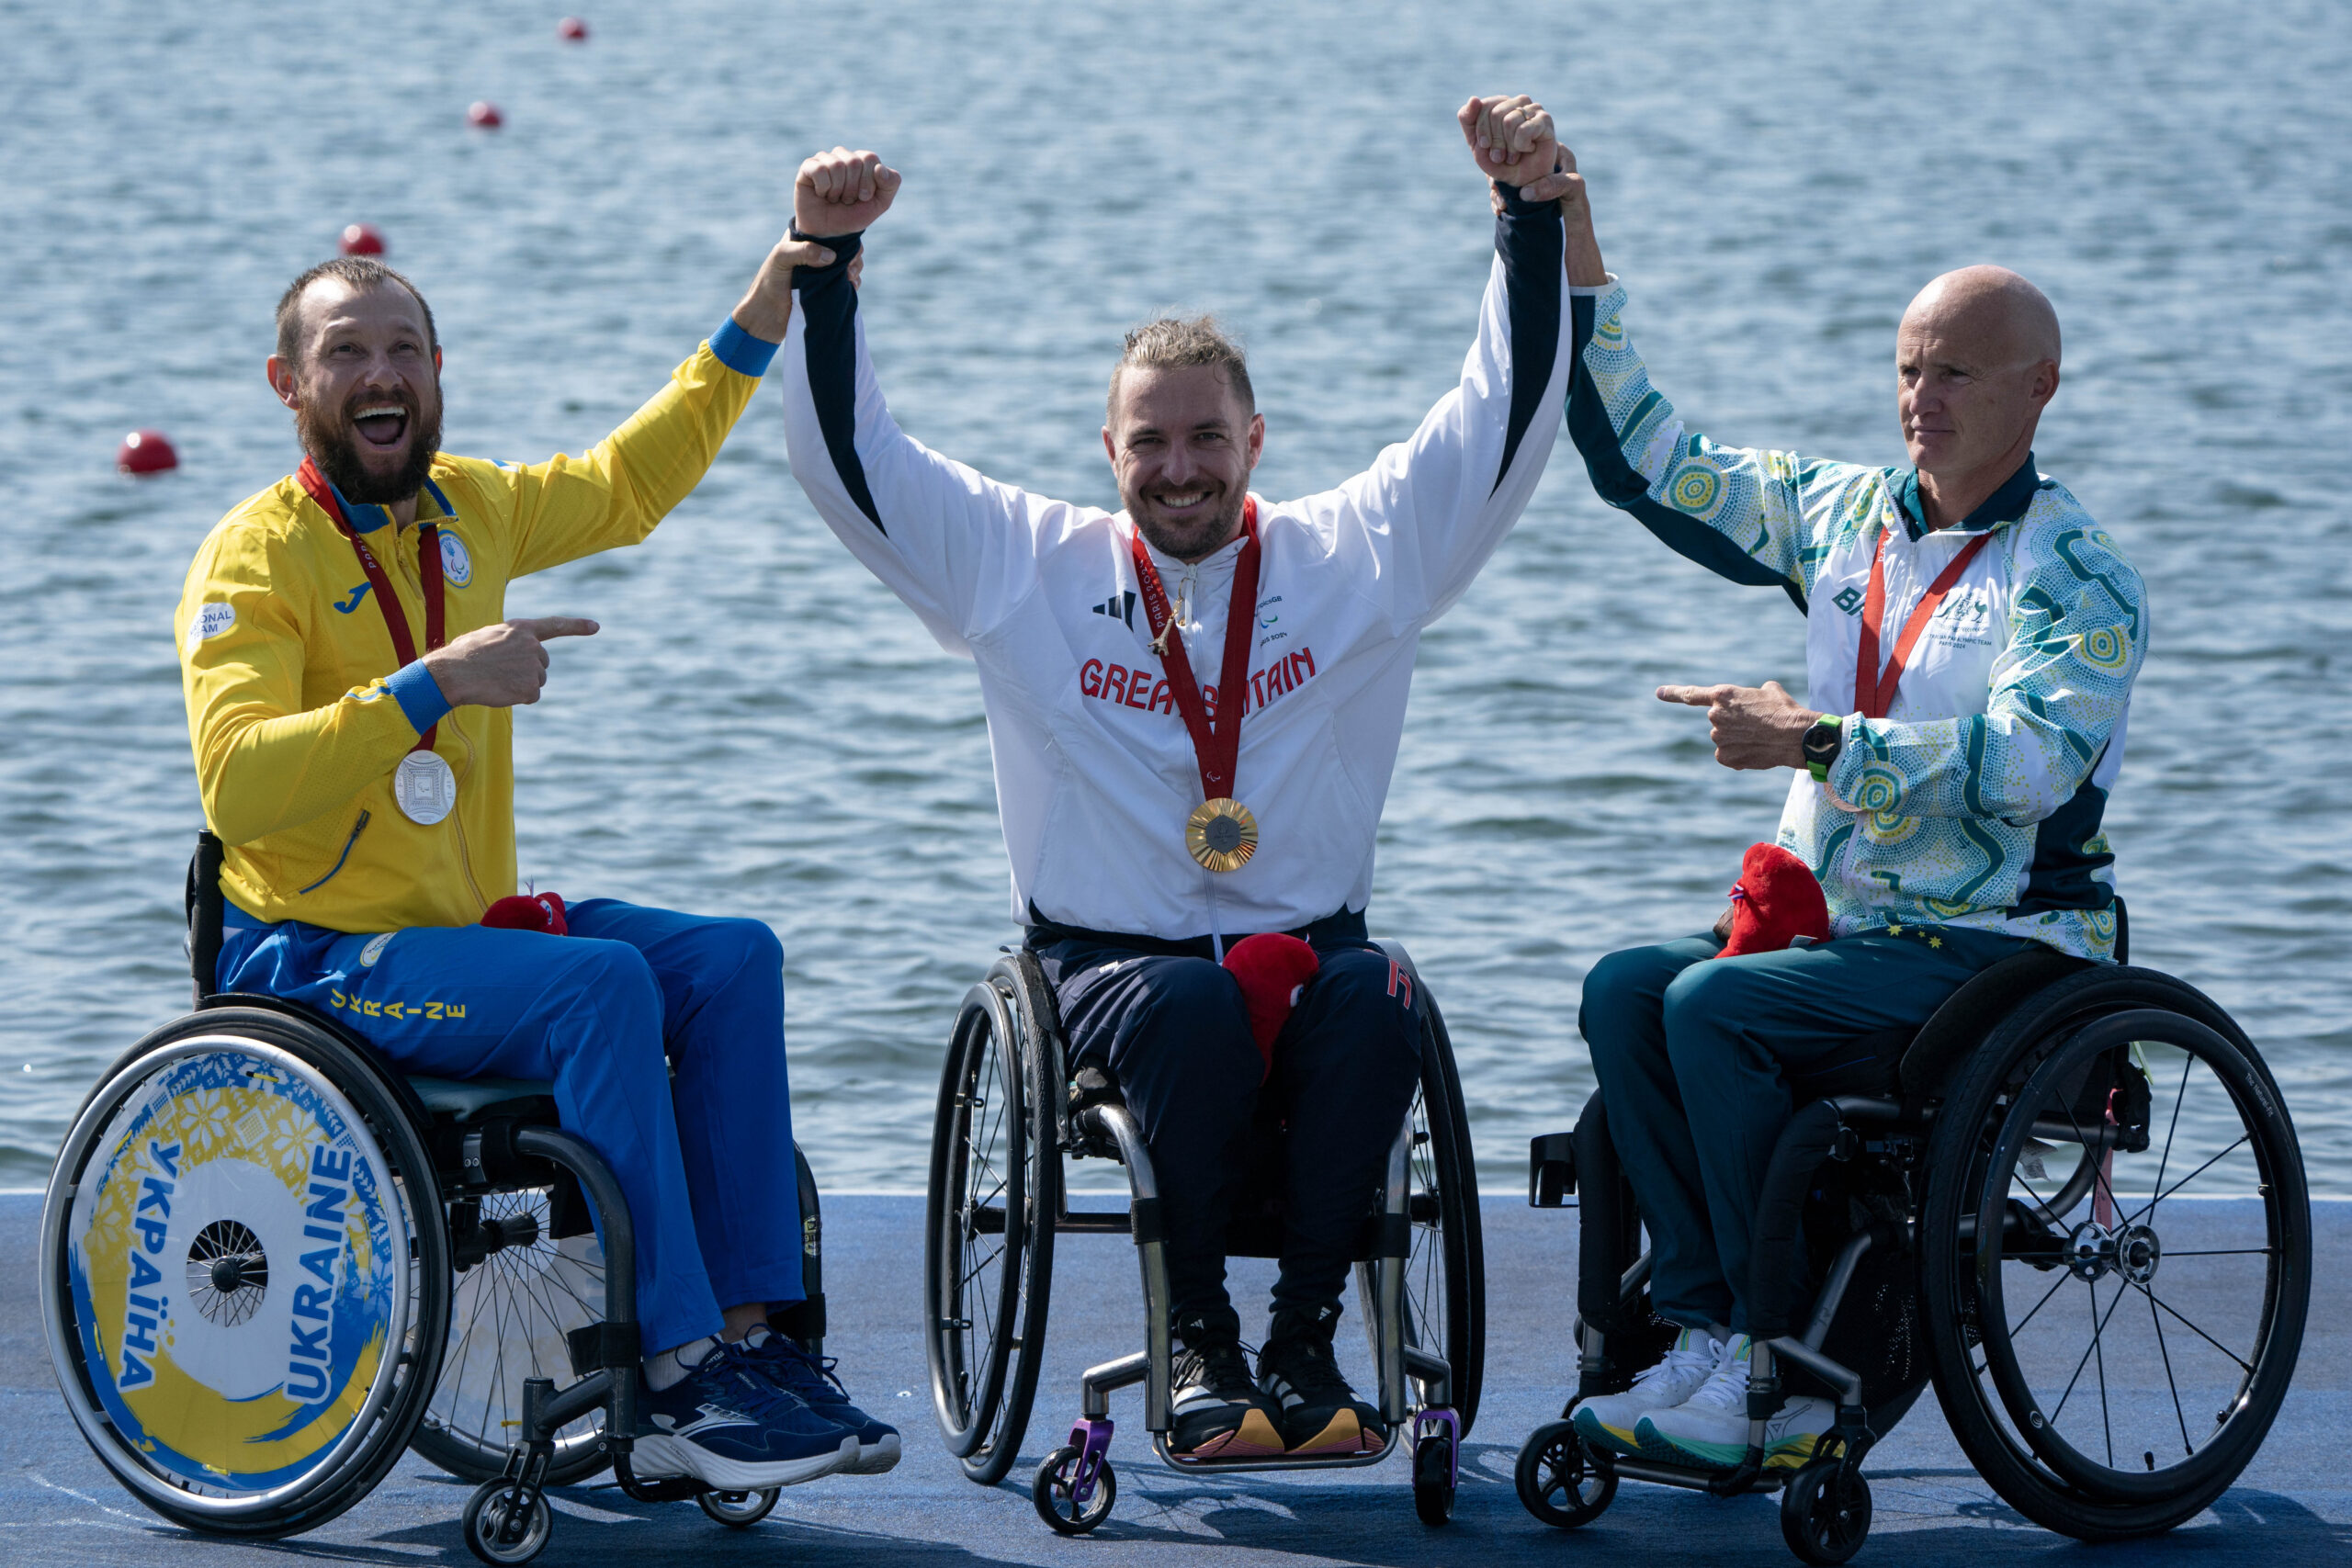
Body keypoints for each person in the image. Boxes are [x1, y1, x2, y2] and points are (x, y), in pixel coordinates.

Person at [774, 96, 1575, 1460]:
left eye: (1206, 438)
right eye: (1149, 442)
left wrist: (1525, 221)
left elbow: (1497, 427)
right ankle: (1201, 1343)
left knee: (1383, 1006)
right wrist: (826, 264)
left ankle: (1306, 1340)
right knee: (1196, 1006)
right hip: (1107, 971)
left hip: (1314, 954)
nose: (1178, 468)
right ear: (1109, 456)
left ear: (1255, 442)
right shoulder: (1027, 563)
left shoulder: (1355, 551)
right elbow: (857, 470)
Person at [175, 235, 899, 1490]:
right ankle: (667, 1377)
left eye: (403, 348)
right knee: (600, 983)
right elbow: (237, 783)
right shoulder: (254, 558)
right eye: (344, 351)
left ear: (439, 372)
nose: (378, 370)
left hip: (462, 933)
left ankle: (752, 1344)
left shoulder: (475, 509)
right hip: (321, 958)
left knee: (731, 960)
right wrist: (431, 687)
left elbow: (629, 483)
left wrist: (761, 316)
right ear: (290, 385)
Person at [1509, 131, 2148, 1470]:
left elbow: (2029, 768)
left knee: (1713, 1003)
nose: (1923, 394)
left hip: (2005, 952)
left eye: (1956, 371)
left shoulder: (2078, 572)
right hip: (1851, 933)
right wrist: (1566, 235)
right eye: (1909, 369)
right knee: (1625, 985)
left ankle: (1771, 1353)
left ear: (2040, 388)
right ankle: (1695, 1334)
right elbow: (1644, 455)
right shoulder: (1843, 514)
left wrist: (1817, 748)